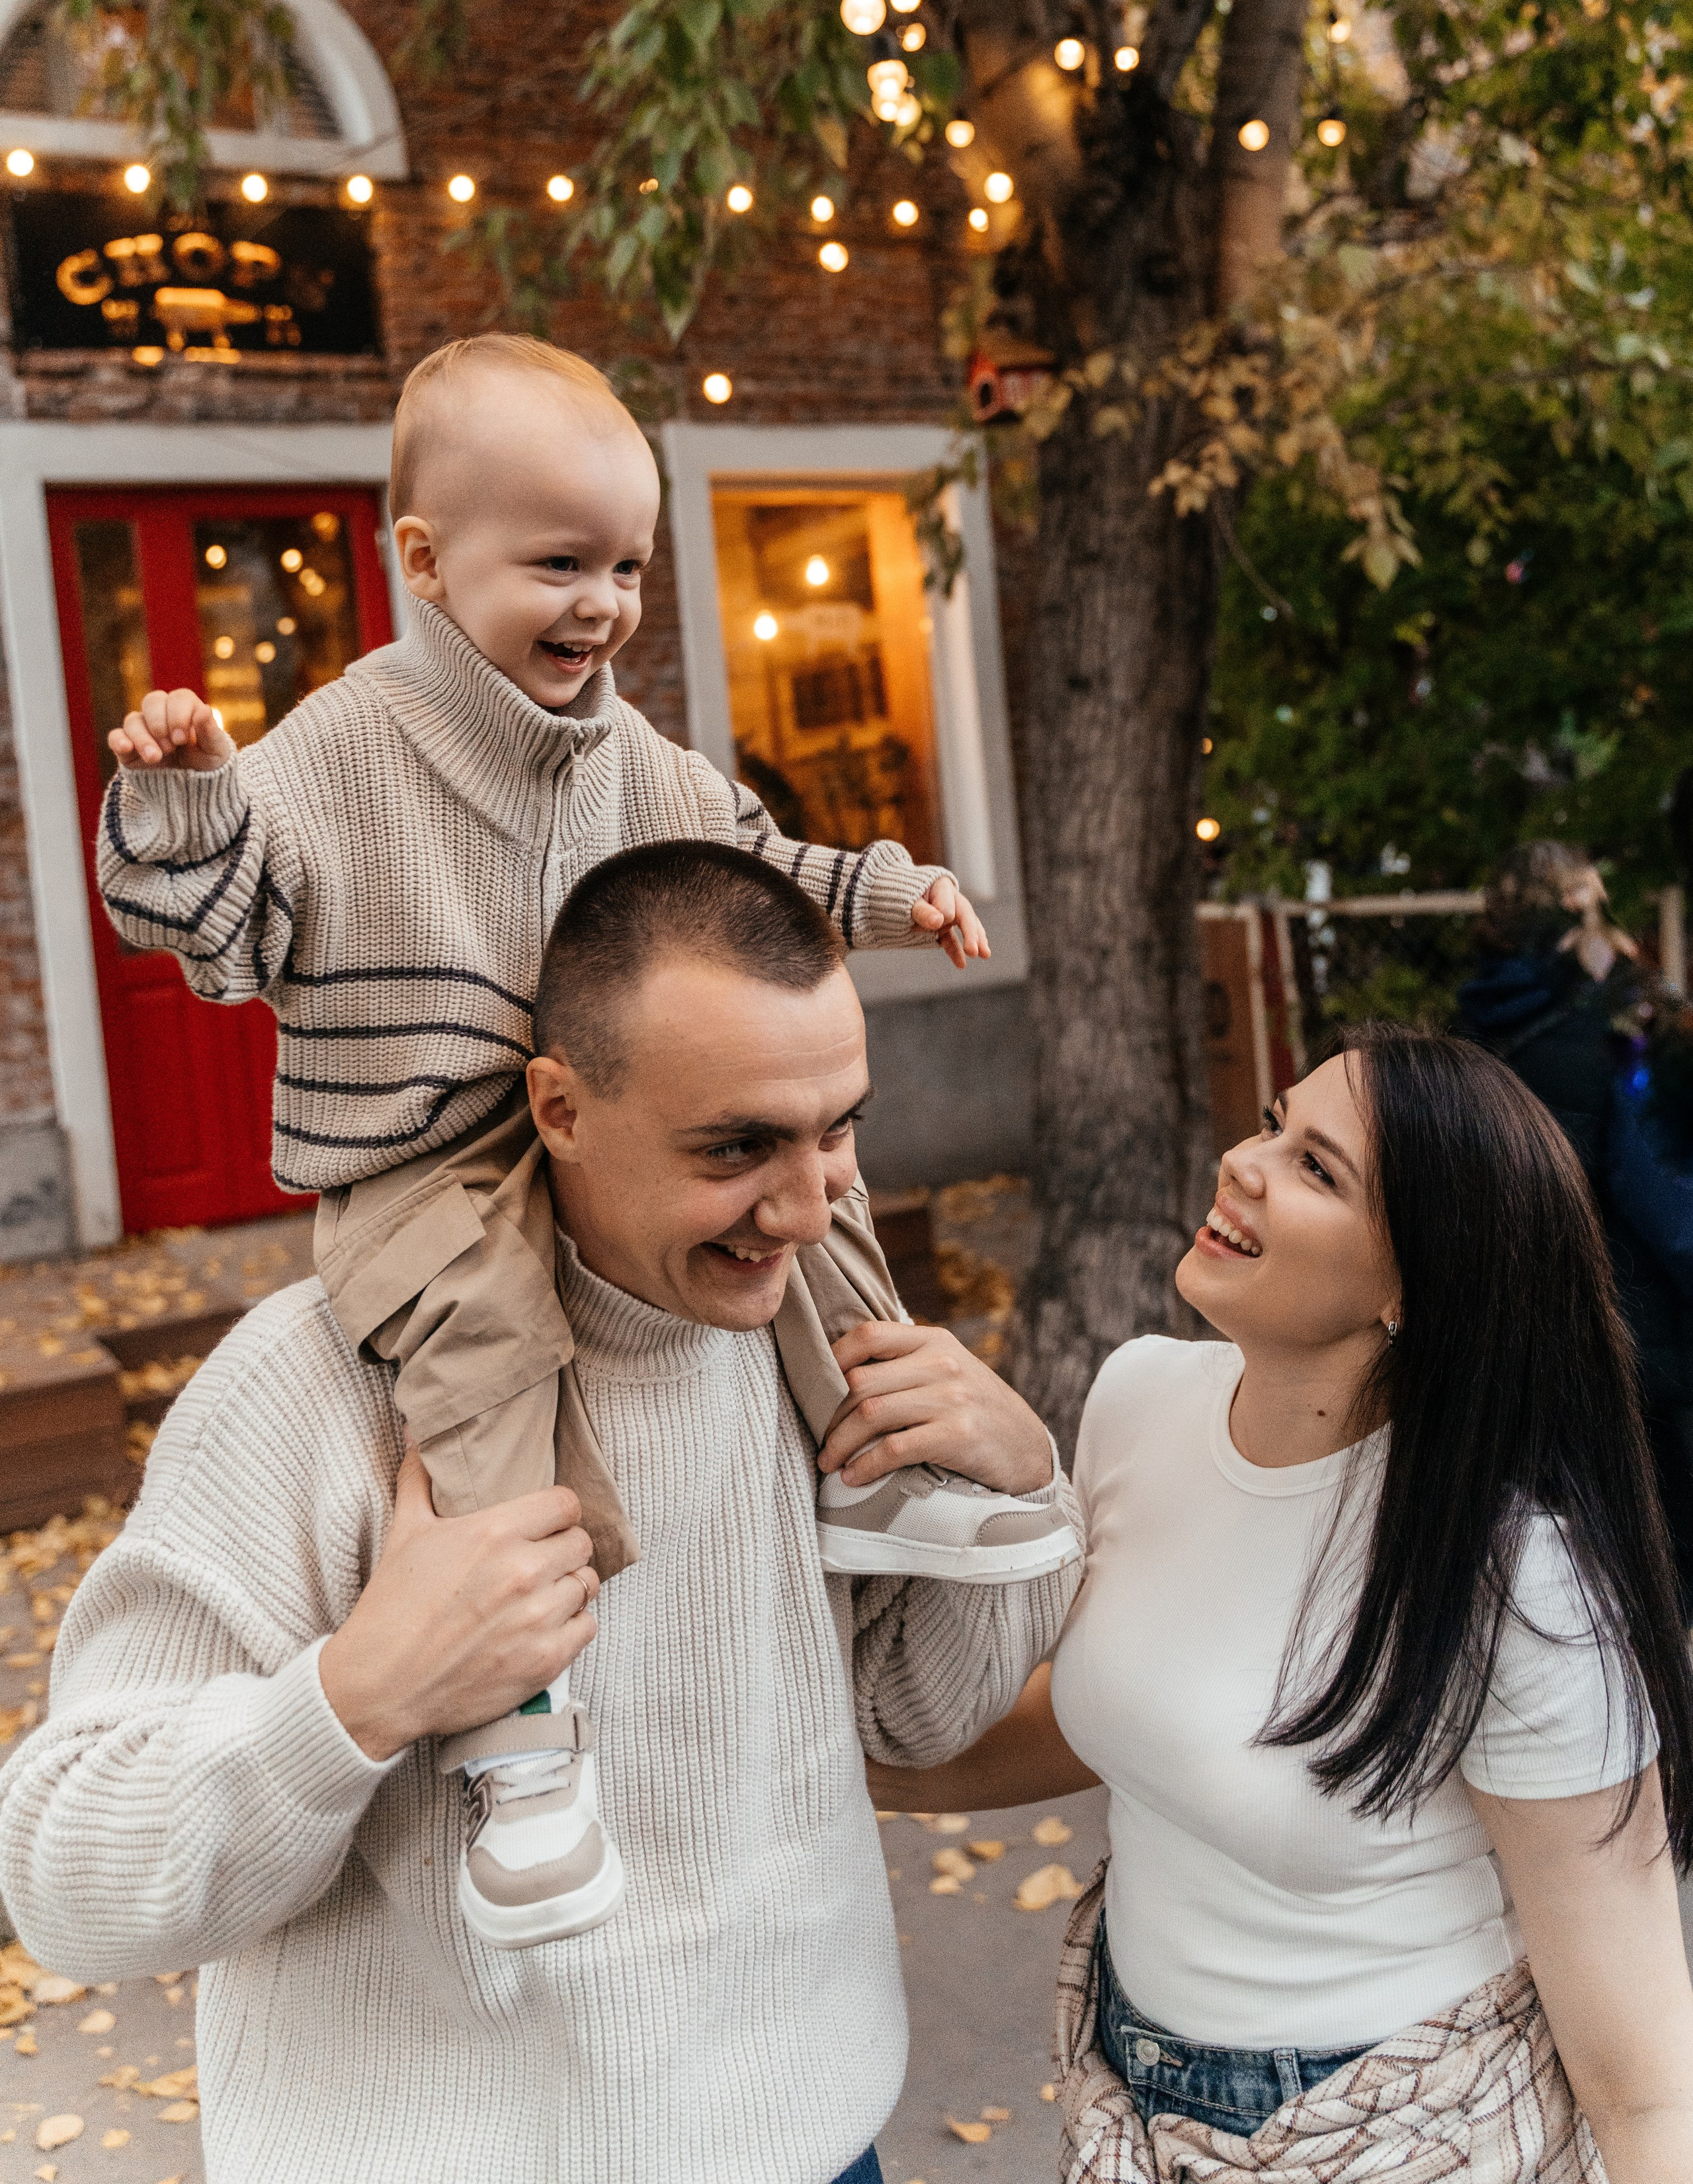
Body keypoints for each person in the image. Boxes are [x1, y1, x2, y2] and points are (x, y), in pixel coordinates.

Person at [91, 331, 1061, 1947]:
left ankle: (881, 1468)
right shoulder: (343, 743)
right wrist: (191, 796)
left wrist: (898, 891)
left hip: (609, 1127)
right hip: (422, 1151)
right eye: (558, 563)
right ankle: (521, 1724)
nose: (601, 603)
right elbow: (218, 924)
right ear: (424, 560)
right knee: (481, 1344)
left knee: (817, 1202)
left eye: (623, 563)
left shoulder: (638, 759)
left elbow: (755, 872)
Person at [0, 846, 1080, 2184]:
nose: (809, 1209)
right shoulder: (318, 1383)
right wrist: (357, 1696)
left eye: (838, 1128)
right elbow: (61, 1875)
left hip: (814, 2147)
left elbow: (910, 1722)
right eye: (736, 1146)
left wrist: (1020, 1487)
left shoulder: (818, 1345)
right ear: (558, 1107)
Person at [873, 1027, 1693, 2183]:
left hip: (1407, 2127)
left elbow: (1645, 2081)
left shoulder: (1513, 1569)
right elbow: (1129, 1713)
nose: (1243, 1164)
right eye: (1271, 1124)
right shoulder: (1139, 1398)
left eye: (1319, 1168)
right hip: (1125, 2099)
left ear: (1418, 1278)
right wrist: (834, 1767)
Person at [1457, 839, 1693, 1607]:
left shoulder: (1470, 1032)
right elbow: (1661, 1194)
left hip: (1513, 1335)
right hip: (1634, 1335)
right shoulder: (1622, 1028)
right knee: (1662, 1566)